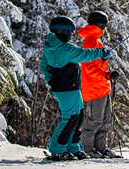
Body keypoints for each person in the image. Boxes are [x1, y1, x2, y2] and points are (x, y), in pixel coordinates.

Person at [40, 16, 114, 161]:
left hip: (69, 87)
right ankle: (57, 149)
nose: (70, 34)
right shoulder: (64, 48)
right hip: (67, 88)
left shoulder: (51, 47)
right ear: (61, 31)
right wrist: (101, 53)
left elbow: (44, 66)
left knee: (78, 116)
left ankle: (73, 146)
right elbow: (84, 54)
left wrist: (51, 80)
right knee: (70, 118)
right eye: (69, 31)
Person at [79, 11, 122, 159]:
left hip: (102, 88)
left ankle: (101, 148)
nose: (105, 28)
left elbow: (98, 66)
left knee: (105, 121)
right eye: (104, 24)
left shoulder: (96, 40)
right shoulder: (91, 40)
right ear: (100, 24)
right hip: (94, 90)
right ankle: (88, 149)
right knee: (93, 122)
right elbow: (89, 69)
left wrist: (108, 75)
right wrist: (106, 75)